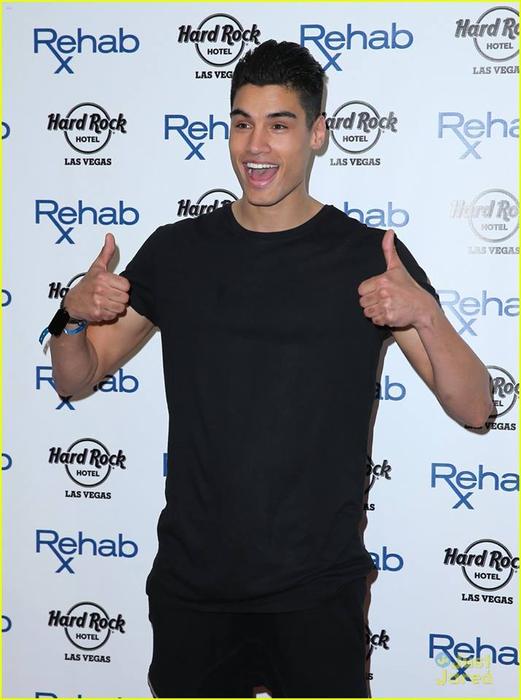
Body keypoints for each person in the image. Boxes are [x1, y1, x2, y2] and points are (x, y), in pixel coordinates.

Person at [47, 40, 493, 698]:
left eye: (279, 125)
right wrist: (71, 316)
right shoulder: (177, 251)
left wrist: (426, 314)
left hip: (317, 593)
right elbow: (74, 377)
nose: (255, 146)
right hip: (193, 591)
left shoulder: (367, 258)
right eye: (242, 122)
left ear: (317, 134)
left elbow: (476, 408)